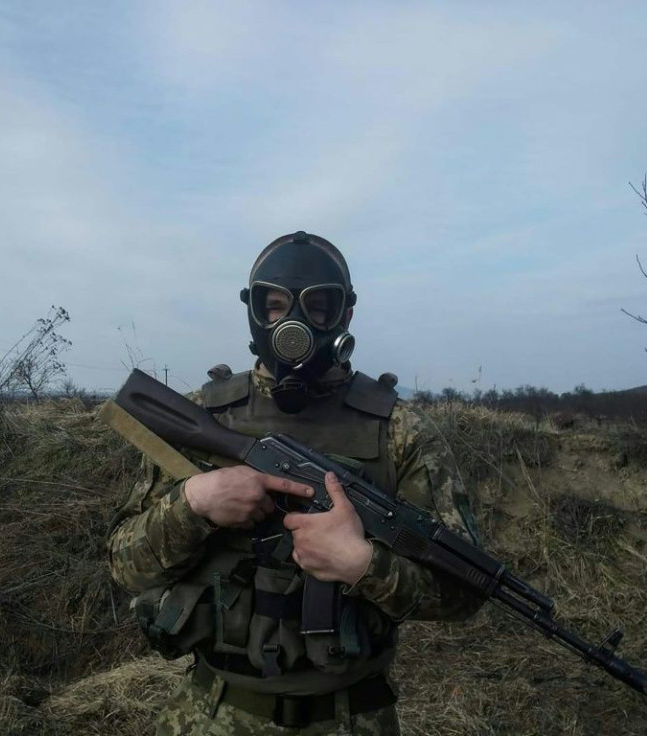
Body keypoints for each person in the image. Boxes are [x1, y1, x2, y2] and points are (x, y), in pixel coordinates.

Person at [107, 231, 484, 735]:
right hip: (210, 713)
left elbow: (466, 593)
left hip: (351, 717)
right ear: (255, 310)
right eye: (276, 305)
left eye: (317, 307)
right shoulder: (204, 412)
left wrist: (363, 565)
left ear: (345, 315)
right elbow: (123, 567)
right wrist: (193, 503)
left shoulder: (399, 431)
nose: (294, 323)